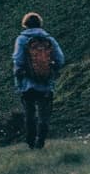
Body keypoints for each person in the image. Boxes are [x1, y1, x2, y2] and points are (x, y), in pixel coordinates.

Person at [12, 11, 65, 149]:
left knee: (29, 114)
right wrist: (51, 67)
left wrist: (21, 74)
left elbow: (18, 59)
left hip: (27, 84)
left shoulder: (21, 39)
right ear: (40, 24)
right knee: (44, 114)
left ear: (25, 25)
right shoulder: (49, 39)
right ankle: (40, 141)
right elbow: (60, 59)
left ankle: (30, 142)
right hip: (46, 83)